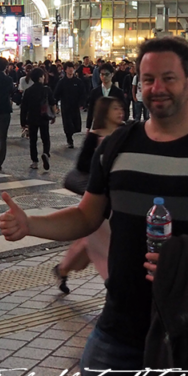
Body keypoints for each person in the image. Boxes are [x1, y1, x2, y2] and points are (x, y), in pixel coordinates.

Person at [0, 36, 188, 376]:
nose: (156, 89)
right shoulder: (118, 145)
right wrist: (30, 224)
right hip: (119, 326)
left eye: (168, 78)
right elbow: (86, 216)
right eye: (147, 80)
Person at [52, 96, 121, 294]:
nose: (120, 112)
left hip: (115, 199)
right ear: (105, 112)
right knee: (103, 243)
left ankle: (62, 269)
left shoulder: (125, 132)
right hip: (99, 200)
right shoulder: (95, 135)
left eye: (120, 108)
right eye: (115, 108)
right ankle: (114, 285)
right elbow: (82, 165)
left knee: (87, 243)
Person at [20, 68, 56, 171]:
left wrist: (23, 122)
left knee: (33, 140)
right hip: (44, 117)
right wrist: (53, 115)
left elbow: (24, 108)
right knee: (45, 138)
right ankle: (46, 153)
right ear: (40, 77)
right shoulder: (46, 89)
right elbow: (52, 103)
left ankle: (34, 161)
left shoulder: (28, 91)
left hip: (32, 118)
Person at [53, 62, 87, 148]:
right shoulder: (62, 82)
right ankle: (69, 139)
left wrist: (82, 103)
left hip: (75, 106)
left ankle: (72, 133)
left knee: (77, 125)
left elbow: (83, 93)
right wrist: (55, 104)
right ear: (65, 70)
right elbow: (56, 94)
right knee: (68, 124)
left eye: (72, 67)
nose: (71, 69)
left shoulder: (78, 81)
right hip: (65, 106)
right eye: (68, 68)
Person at [85, 64, 125, 130]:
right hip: (99, 126)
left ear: (112, 74)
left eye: (106, 74)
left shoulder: (118, 92)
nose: (104, 77)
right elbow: (91, 110)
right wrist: (88, 127)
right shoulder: (95, 92)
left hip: (114, 127)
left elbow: (124, 109)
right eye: (102, 74)